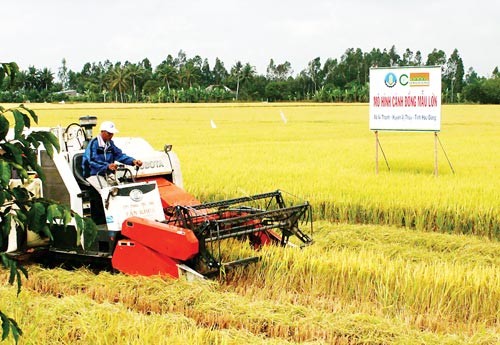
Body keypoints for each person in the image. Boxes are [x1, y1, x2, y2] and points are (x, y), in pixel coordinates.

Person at [82, 121, 143, 189]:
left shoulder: (110, 144)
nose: (111, 136)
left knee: (120, 188)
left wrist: (133, 161)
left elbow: (119, 155)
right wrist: (107, 166)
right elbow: (92, 160)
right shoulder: (93, 144)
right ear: (102, 132)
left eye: (112, 133)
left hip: (106, 173)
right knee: (108, 191)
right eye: (109, 133)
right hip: (92, 174)